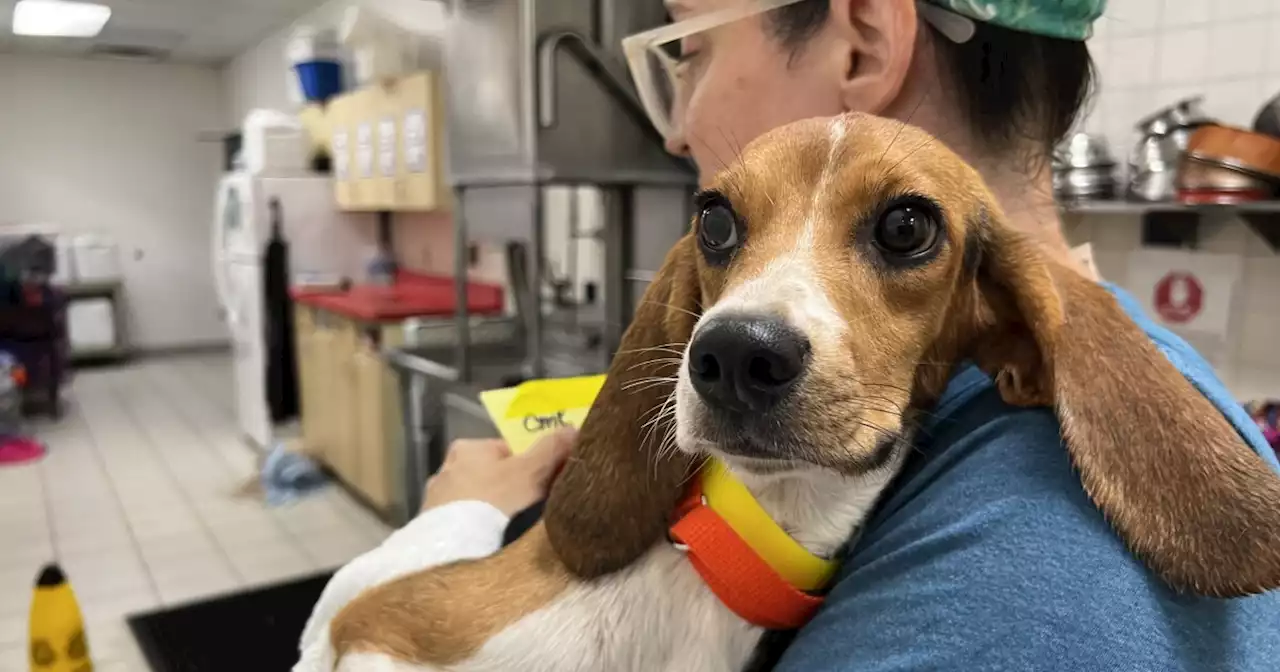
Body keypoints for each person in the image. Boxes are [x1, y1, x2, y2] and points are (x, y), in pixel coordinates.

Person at [301, 1, 1280, 669]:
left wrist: (448, 527)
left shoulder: (1026, 600)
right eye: (721, 227)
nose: (677, 129)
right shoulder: (1019, 389)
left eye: (686, 49)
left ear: (858, 40)